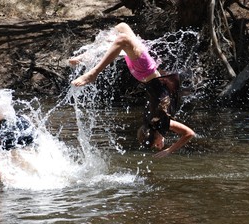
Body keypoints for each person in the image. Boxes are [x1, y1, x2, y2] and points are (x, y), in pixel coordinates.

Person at [70, 22, 194, 157]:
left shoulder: (159, 123)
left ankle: (93, 72)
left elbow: (189, 134)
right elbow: (183, 133)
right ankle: (90, 56)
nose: (159, 145)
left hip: (146, 71)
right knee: (121, 28)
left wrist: (168, 150)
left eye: (155, 144)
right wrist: (161, 139)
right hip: (142, 74)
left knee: (123, 38)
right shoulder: (153, 123)